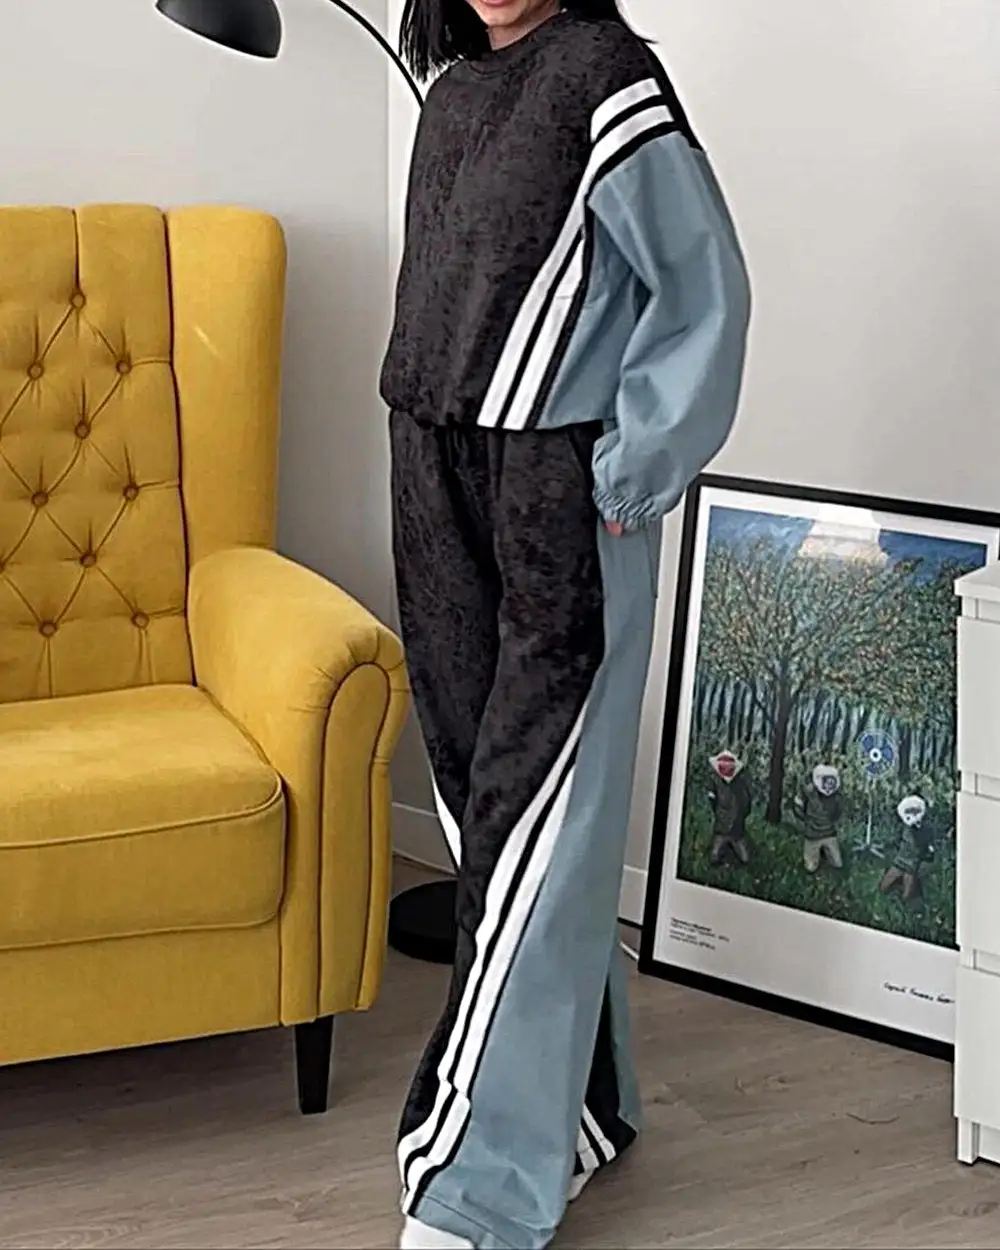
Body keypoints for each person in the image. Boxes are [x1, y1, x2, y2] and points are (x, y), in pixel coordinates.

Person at [380, 1, 751, 1245]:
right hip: (428, 468)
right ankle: (580, 1106)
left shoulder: (604, 72)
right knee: (480, 806)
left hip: (549, 490)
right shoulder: (449, 91)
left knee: (532, 823)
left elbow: (701, 284)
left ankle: (478, 1187)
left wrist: (636, 463)